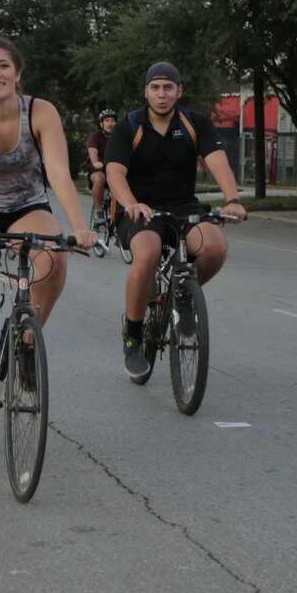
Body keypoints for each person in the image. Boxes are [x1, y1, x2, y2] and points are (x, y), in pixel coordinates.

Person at [0, 37, 97, 440]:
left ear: (18, 72)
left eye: (2, 66)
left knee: (53, 259)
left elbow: (59, 173)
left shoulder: (41, 111)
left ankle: (26, 343)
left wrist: (79, 227)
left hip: (26, 205)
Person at [105, 62, 247, 380]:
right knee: (148, 252)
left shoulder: (194, 123)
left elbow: (216, 160)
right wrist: (130, 203)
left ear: (179, 91)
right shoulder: (129, 125)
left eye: (168, 87)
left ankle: (182, 295)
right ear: (146, 92)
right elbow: (114, 171)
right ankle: (133, 334)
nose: (161, 94)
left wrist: (232, 199)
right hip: (139, 210)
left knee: (214, 247)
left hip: (182, 206)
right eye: (155, 87)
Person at [87, 109, 117, 224]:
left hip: (115, 170)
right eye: (107, 120)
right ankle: (98, 211)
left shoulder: (119, 137)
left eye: (113, 121)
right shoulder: (95, 136)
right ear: (101, 124)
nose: (110, 123)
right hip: (99, 169)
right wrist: (96, 162)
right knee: (99, 178)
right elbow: (93, 151)